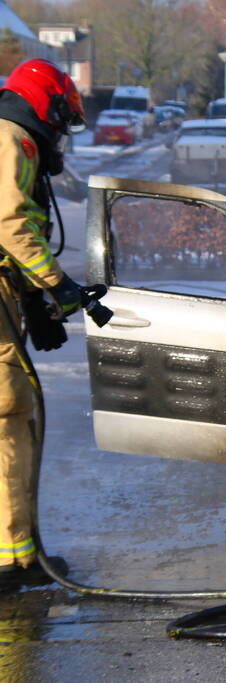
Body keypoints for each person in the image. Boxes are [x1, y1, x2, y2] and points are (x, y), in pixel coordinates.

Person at [0, 59, 87, 588]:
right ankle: (10, 560)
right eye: (62, 117)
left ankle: (20, 553)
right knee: (8, 413)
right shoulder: (11, 139)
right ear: (44, 105)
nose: (61, 131)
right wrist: (56, 284)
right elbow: (9, 222)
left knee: (15, 416)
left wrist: (34, 304)